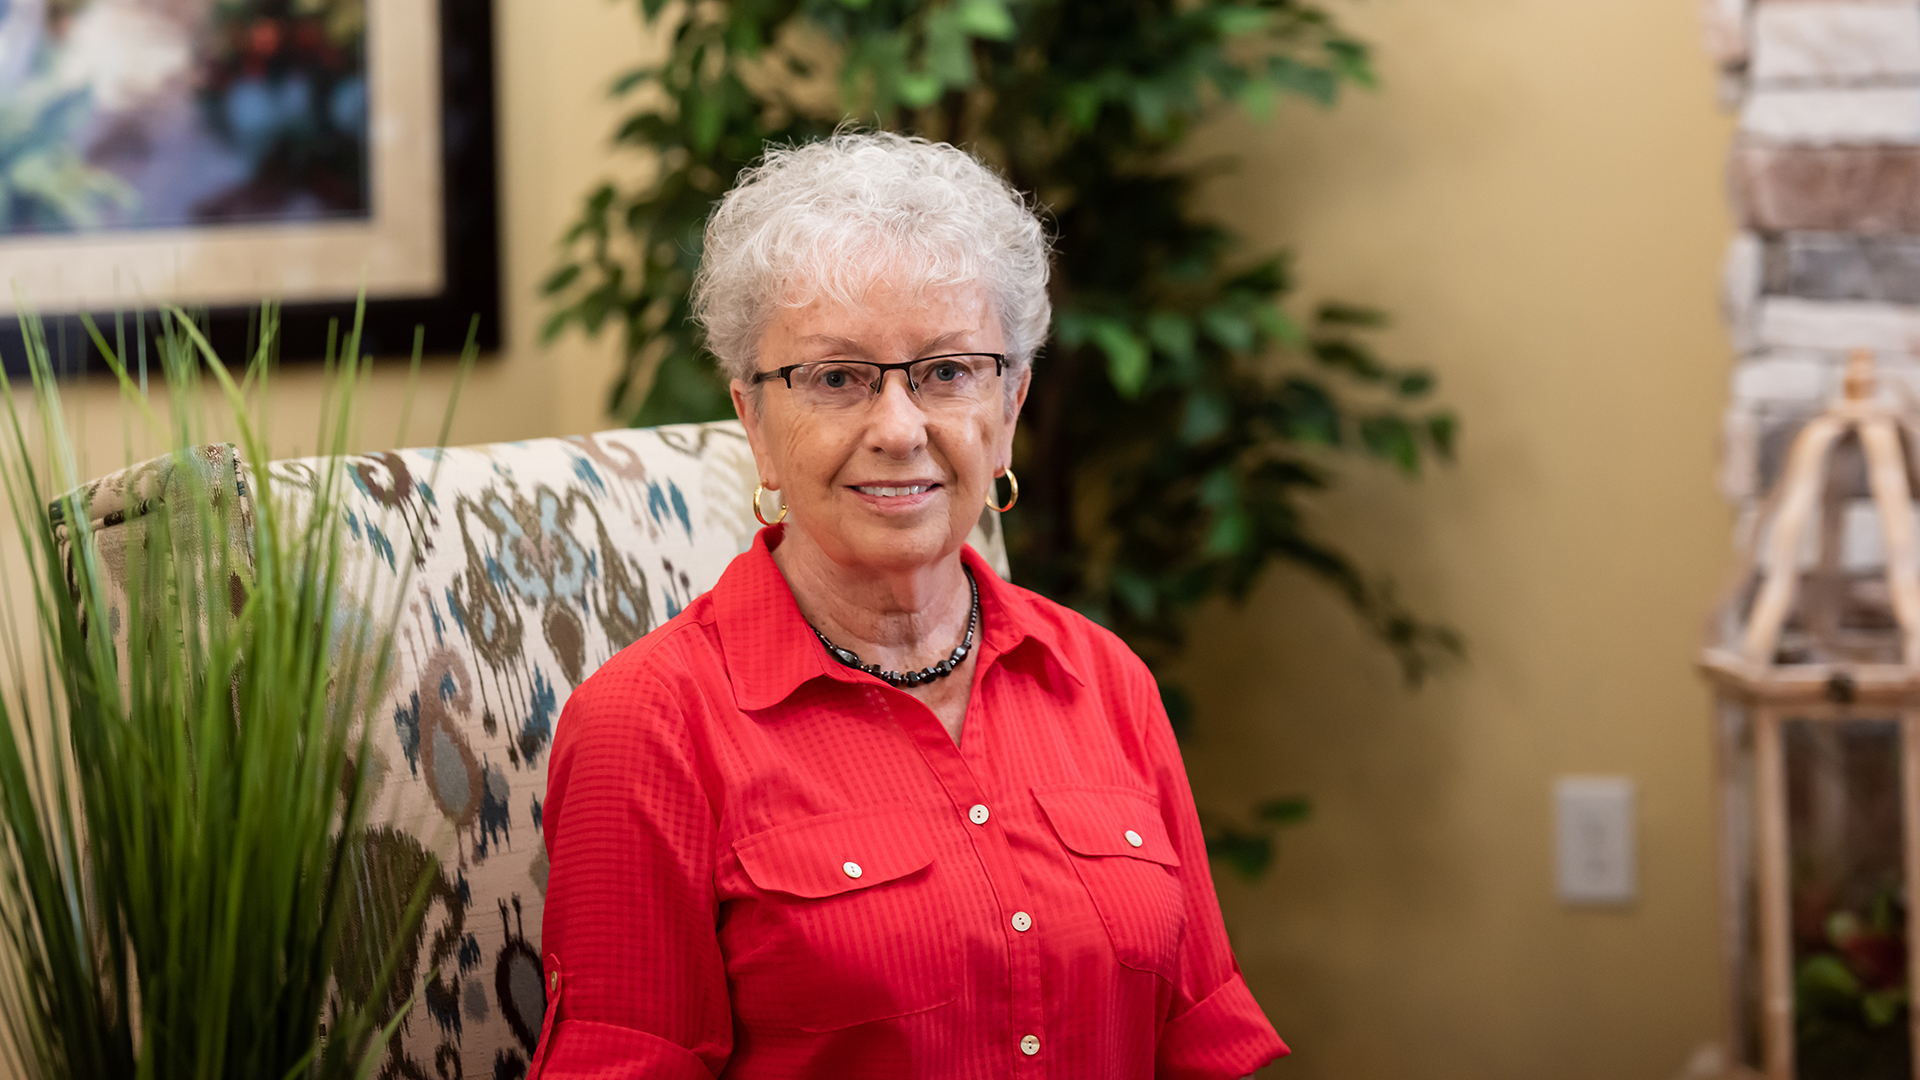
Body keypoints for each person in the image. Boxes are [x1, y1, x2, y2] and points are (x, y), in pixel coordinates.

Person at [532, 131, 1286, 1079]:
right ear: (756, 424)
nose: (898, 429)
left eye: (947, 372)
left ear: (1008, 408)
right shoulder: (650, 728)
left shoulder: (1104, 681)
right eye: (836, 378)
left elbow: (1198, 1052)